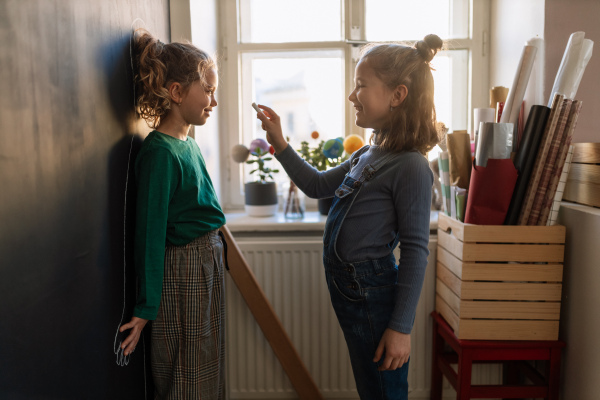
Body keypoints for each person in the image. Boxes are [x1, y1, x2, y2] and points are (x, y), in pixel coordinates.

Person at [256, 34, 444, 399]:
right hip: (353, 293)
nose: (351, 95)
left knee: (383, 390)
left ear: (397, 95)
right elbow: (315, 185)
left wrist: (401, 328)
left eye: (361, 85)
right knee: (370, 386)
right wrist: (279, 142)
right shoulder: (368, 154)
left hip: (372, 293)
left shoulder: (411, 167)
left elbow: (416, 251)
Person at [119, 29, 227, 399]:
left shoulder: (188, 145)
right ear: (177, 92)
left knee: (206, 360)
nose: (214, 100)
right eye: (208, 90)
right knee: (187, 370)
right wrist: (146, 306)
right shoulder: (160, 153)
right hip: (184, 269)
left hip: (206, 260)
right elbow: (148, 233)